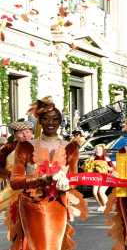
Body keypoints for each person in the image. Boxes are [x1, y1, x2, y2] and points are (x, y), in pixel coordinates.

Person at [10, 97, 87, 250]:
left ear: (60, 122)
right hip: (32, 204)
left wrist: (67, 183)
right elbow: (14, 181)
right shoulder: (25, 146)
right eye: (46, 118)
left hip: (58, 204)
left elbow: (75, 179)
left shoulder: (71, 147)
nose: (51, 122)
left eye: (55, 119)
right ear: (39, 121)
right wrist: (42, 179)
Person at [0, 120, 34, 248]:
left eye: (28, 132)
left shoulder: (39, 146)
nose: (25, 135)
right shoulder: (8, 148)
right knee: (17, 226)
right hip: (15, 194)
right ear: (15, 134)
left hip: (37, 192)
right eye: (21, 133)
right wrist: (9, 174)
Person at [85, 144, 113, 212]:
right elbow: (87, 168)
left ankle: (108, 205)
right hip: (96, 177)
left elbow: (112, 169)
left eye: (99, 149)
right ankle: (102, 205)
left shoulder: (106, 158)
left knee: (100, 191)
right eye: (96, 149)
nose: (98, 151)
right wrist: (89, 162)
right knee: (94, 192)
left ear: (103, 150)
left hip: (106, 177)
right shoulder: (92, 158)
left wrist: (106, 168)